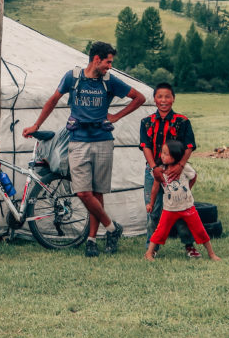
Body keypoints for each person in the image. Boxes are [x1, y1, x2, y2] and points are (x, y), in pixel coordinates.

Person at [23, 41, 146, 257]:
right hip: (78, 140)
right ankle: (111, 228)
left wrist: (116, 116)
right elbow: (53, 99)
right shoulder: (73, 77)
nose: (110, 66)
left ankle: (91, 240)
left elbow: (140, 98)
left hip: (103, 140)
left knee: (97, 193)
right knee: (82, 192)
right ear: (96, 59)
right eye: (108, 62)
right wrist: (36, 125)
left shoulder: (109, 81)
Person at [139, 83, 201, 258]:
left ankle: (189, 246)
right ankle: (152, 249)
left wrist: (179, 165)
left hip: (176, 171)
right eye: (160, 97)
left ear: (173, 98)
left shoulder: (182, 121)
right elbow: (146, 146)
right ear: (154, 99)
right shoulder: (147, 122)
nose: (163, 100)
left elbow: (189, 146)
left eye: (167, 96)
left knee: (182, 209)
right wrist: (154, 168)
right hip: (154, 170)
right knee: (154, 210)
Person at [144, 140, 219, 261]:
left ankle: (211, 254)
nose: (162, 155)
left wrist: (188, 189)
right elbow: (155, 188)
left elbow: (193, 177)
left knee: (200, 230)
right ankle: (149, 253)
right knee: (160, 231)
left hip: (188, 207)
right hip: (169, 209)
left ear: (176, 155)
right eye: (162, 152)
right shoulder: (160, 170)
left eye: (166, 154)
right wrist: (151, 204)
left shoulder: (184, 168)